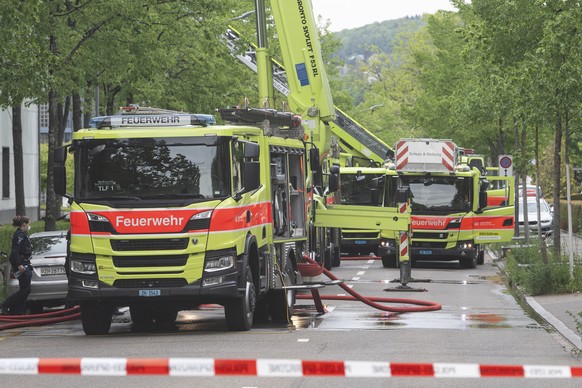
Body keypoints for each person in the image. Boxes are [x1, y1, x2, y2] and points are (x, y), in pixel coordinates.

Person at [1, 215, 33, 315]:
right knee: (26, 289)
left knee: (24, 289)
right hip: (22, 265)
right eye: (28, 223)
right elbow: (15, 251)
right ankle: (6, 304)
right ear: (24, 224)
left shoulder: (22, 234)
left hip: (25, 263)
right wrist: (19, 265)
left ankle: (19, 313)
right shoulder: (19, 235)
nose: (29, 225)